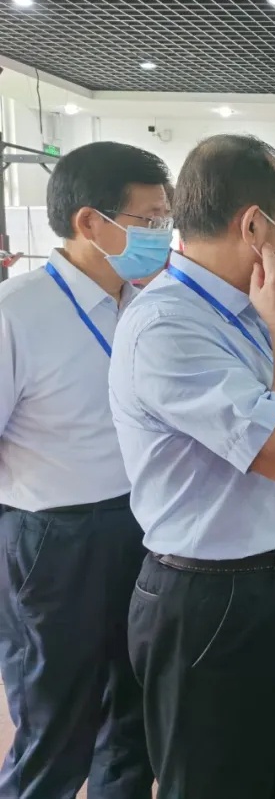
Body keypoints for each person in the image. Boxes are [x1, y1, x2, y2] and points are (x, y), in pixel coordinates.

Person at [109, 134, 275, 799]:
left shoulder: (249, 306)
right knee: (216, 782)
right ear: (254, 227)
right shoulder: (168, 325)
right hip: (218, 599)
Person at [0, 142, 167, 799]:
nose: (162, 233)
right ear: (91, 222)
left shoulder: (146, 305)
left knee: (136, 714)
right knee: (56, 725)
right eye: (149, 219)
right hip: (55, 540)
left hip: (144, 526)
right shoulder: (17, 310)